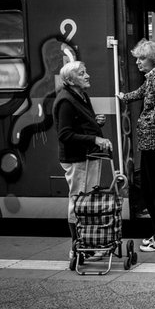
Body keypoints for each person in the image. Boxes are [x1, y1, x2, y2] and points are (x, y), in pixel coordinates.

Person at [118, 39, 155, 252]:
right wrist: (123, 97)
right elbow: (141, 92)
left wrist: (150, 120)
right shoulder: (153, 77)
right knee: (152, 189)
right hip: (152, 143)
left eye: (141, 58)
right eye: (137, 59)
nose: (138, 63)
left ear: (152, 59)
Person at [53, 60, 112, 260]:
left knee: (87, 202)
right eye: (81, 73)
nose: (87, 76)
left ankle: (89, 245)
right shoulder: (65, 101)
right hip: (78, 159)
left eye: (86, 72)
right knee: (78, 202)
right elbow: (65, 134)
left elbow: (78, 125)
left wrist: (95, 122)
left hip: (88, 157)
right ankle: (77, 247)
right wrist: (95, 138)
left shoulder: (81, 96)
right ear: (70, 80)